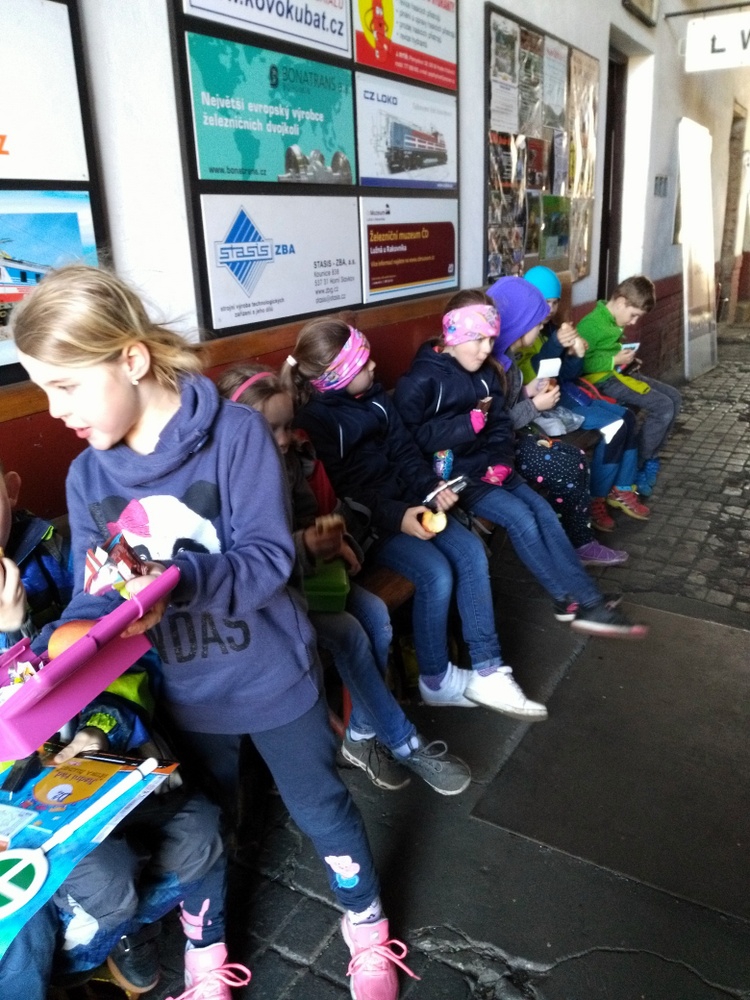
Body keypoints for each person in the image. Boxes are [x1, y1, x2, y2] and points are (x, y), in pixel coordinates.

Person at [11, 264, 417, 1000]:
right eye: (42, 390)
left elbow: (267, 561)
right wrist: (60, 645)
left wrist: (172, 583)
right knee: (206, 829)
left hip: (272, 677)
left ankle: (366, 929)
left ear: (132, 359)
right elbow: (89, 597)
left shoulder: (234, 435)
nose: (54, 409)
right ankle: (206, 957)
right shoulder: (86, 477)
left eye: (65, 386)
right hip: (184, 694)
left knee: (320, 807)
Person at [0, 461, 238, 1000]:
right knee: (108, 878)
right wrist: (11, 634)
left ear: (11, 489)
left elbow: (124, 653)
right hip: (19, 799)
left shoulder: (58, 552)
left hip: (98, 752)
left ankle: (118, 929)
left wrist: (101, 728)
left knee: (202, 829)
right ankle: (93, 935)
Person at [216, 364, 471, 797]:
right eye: (270, 429)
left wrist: (336, 542)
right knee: (353, 633)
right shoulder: (225, 478)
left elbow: (310, 515)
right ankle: (404, 742)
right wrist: (306, 545)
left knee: (376, 617)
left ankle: (360, 735)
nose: (284, 439)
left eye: (287, 427)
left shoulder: (288, 460)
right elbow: (242, 560)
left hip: (304, 579)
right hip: (262, 601)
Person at [284, 317, 548, 721]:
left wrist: (430, 488)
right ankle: (436, 677)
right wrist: (398, 516)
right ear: (337, 377)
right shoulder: (316, 423)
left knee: (471, 551)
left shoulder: (374, 396)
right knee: (435, 573)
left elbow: (406, 452)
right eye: (364, 363)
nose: (374, 367)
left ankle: (488, 669)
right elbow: (345, 494)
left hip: (410, 505)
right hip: (369, 526)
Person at [394, 286, 647, 640]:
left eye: (491, 339)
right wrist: (466, 427)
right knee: (522, 519)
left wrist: (501, 459)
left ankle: (584, 598)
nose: (487, 349)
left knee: (543, 513)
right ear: (454, 334)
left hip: (492, 467)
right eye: (479, 339)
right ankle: (571, 599)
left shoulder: (486, 373)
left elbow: (500, 424)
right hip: (457, 479)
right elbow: (408, 441)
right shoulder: (422, 381)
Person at [521, 266, 649, 532]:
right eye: (545, 302)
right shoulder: (525, 334)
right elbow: (539, 374)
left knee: (627, 416)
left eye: (555, 302)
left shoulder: (548, 330)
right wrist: (557, 345)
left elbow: (565, 375)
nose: (550, 309)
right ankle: (596, 498)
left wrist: (575, 355)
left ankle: (621, 488)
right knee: (615, 426)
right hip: (543, 406)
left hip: (564, 394)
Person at [576, 274, 683, 497]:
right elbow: (581, 363)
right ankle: (640, 464)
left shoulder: (610, 320)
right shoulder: (591, 325)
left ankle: (649, 458)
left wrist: (624, 359)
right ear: (621, 302)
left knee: (674, 397)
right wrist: (613, 360)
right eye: (633, 315)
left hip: (619, 374)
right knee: (663, 406)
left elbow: (604, 352)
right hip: (603, 382)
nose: (633, 322)